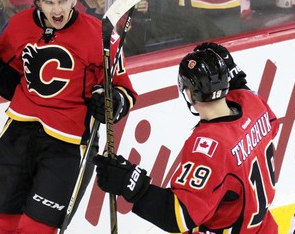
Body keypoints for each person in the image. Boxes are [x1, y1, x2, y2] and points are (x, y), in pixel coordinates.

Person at [0, 0, 137, 233]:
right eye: (49, 1)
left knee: (37, 228)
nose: (58, 9)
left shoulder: (100, 35)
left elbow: (125, 91)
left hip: (67, 143)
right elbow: (11, 86)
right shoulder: (19, 26)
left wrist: (113, 102)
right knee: (2, 223)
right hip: (18, 133)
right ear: (36, 0)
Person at [93, 42, 280, 233]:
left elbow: (179, 215)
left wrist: (129, 183)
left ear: (189, 94)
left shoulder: (210, 146)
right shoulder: (252, 104)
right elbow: (267, 121)